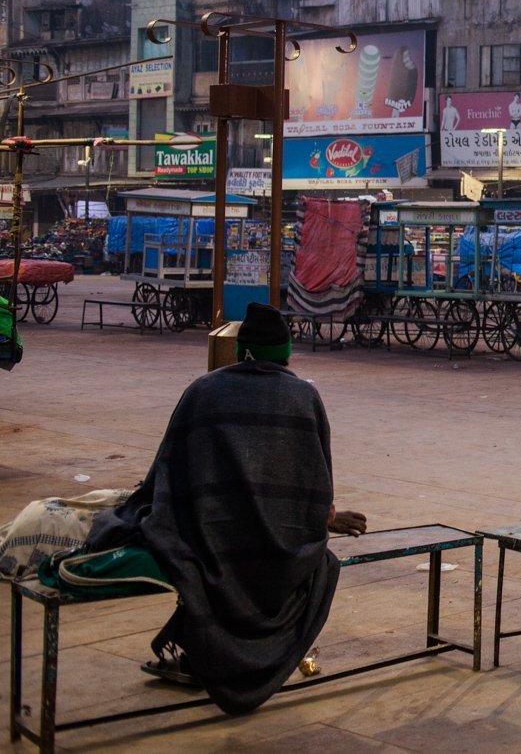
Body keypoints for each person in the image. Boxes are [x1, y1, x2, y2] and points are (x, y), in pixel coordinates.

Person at [85, 303, 367, 715]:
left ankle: (203, 656)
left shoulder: (202, 391)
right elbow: (314, 485)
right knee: (320, 564)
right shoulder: (304, 396)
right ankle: (253, 657)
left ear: (240, 352)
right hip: (281, 557)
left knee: (182, 546)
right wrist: (324, 518)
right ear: (286, 355)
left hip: (209, 550)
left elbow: (166, 480)